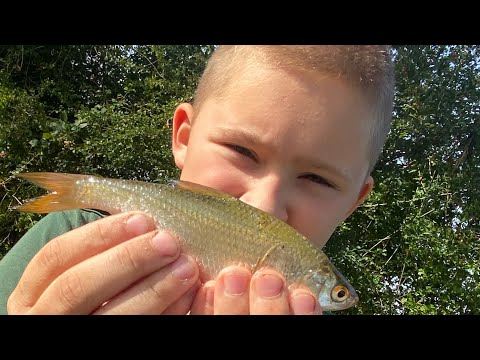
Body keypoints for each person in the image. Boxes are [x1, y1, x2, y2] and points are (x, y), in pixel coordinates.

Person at [0, 45, 395, 315]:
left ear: (354, 202)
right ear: (183, 139)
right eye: (242, 151)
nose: (262, 206)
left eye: (317, 179)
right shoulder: (68, 239)